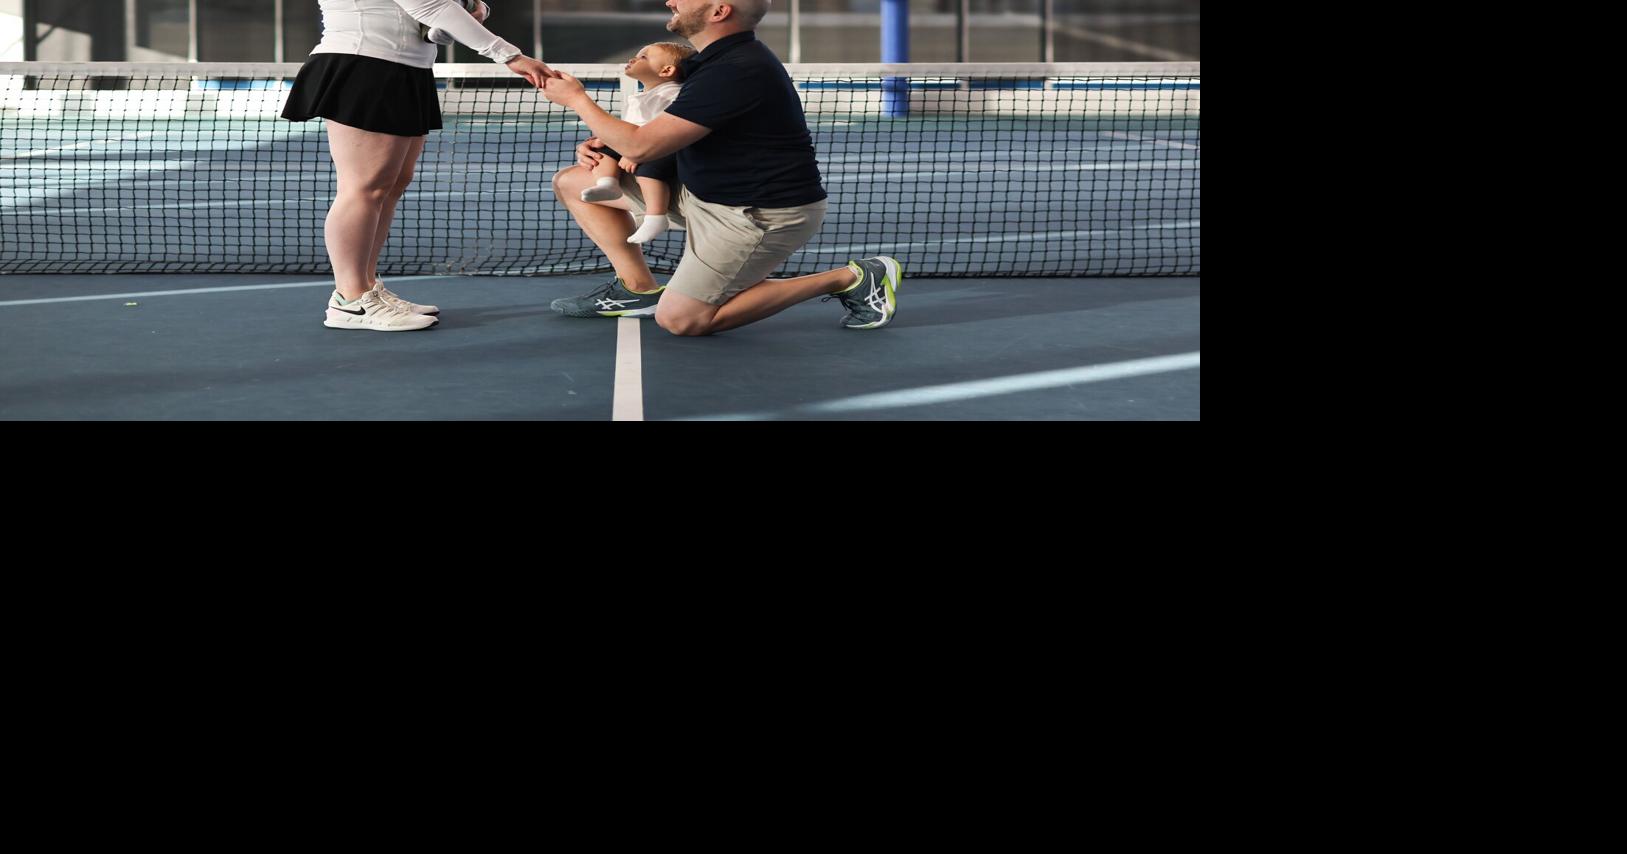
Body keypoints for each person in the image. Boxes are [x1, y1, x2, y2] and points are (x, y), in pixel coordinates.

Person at [541, 0, 901, 334]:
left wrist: (577, 99)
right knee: (574, 182)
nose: (671, 1)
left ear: (719, 11)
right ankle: (638, 289)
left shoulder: (737, 70)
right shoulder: (706, 63)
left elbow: (643, 144)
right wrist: (606, 145)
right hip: (703, 194)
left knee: (682, 320)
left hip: (758, 215)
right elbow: (655, 134)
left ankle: (851, 278)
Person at [281, 0, 556, 331]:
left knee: (391, 185)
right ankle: (349, 300)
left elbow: (438, 16)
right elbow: (432, 6)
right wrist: (511, 55)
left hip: (404, 67)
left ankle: (366, 289)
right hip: (364, 64)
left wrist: (472, 7)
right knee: (363, 187)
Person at [573, 42, 696, 245]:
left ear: (667, 70)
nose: (633, 59)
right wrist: (607, 140)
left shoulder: (671, 93)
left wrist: (634, 152)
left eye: (644, 57)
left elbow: (662, 131)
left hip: (664, 149)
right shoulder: (640, 96)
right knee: (602, 149)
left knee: (648, 171)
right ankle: (607, 183)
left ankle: (655, 216)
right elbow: (630, 129)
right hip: (640, 144)